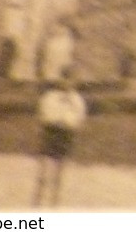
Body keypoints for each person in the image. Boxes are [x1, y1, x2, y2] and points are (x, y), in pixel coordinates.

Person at [33, 69, 88, 207]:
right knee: (45, 172)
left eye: (72, 81)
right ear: (60, 80)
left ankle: (54, 203)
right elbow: (44, 114)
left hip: (66, 135)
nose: (68, 84)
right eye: (65, 79)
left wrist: (69, 123)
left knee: (59, 171)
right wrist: (55, 120)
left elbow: (79, 117)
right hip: (51, 133)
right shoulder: (50, 97)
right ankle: (38, 203)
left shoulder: (77, 99)